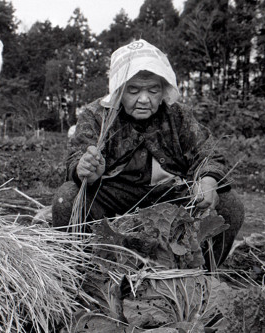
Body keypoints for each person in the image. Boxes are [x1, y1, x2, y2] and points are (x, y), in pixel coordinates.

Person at [52, 40, 244, 268]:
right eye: (133, 90)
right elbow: (76, 158)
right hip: (112, 196)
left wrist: (208, 179)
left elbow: (208, 153)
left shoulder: (178, 116)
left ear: (163, 89)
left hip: (169, 196)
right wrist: (86, 170)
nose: (144, 99)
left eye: (153, 90)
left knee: (229, 204)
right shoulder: (96, 115)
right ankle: (82, 274)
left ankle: (200, 274)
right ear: (119, 90)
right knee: (67, 198)